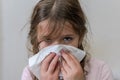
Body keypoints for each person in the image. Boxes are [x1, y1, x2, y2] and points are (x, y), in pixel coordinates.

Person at [21, 0, 114, 80]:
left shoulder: (100, 71)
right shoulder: (30, 73)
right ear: (36, 39)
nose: (57, 49)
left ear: (80, 37)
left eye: (67, 38)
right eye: (48, 39)